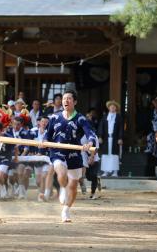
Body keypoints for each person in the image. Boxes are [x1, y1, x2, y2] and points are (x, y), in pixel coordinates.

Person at [44, 89, 96, 222]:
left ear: (75, 102)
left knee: (73, 185)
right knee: (61, 174)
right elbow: (48, 134)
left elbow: (90, 133)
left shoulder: (81, 118)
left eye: (69, 98)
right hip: (57, 150)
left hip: (74, 153)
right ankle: (62, 188)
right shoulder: (55, 117)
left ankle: (66, 210)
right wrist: (44, 141)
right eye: (64, 98)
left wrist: (90, 142)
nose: (65, 101)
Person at [0, 122, 18, 201]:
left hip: (5, 158)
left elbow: (15, 147)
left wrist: (16, 157)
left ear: (2, 131)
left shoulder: (8, 137)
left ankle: (3, 186)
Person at [98, 100, 123, 177]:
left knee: (114, 155)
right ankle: (106, 171)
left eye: (114, 106)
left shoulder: (119, 117)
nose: (112, 107)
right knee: (106, 155)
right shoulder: (105, 117)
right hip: (106, 138)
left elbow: (121, 128)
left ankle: (115, 172)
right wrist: (100, 136)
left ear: (116, 108)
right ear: (108, 108)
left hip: (115, 138)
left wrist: (120, 138)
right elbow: (101, 127)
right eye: (111, 106)